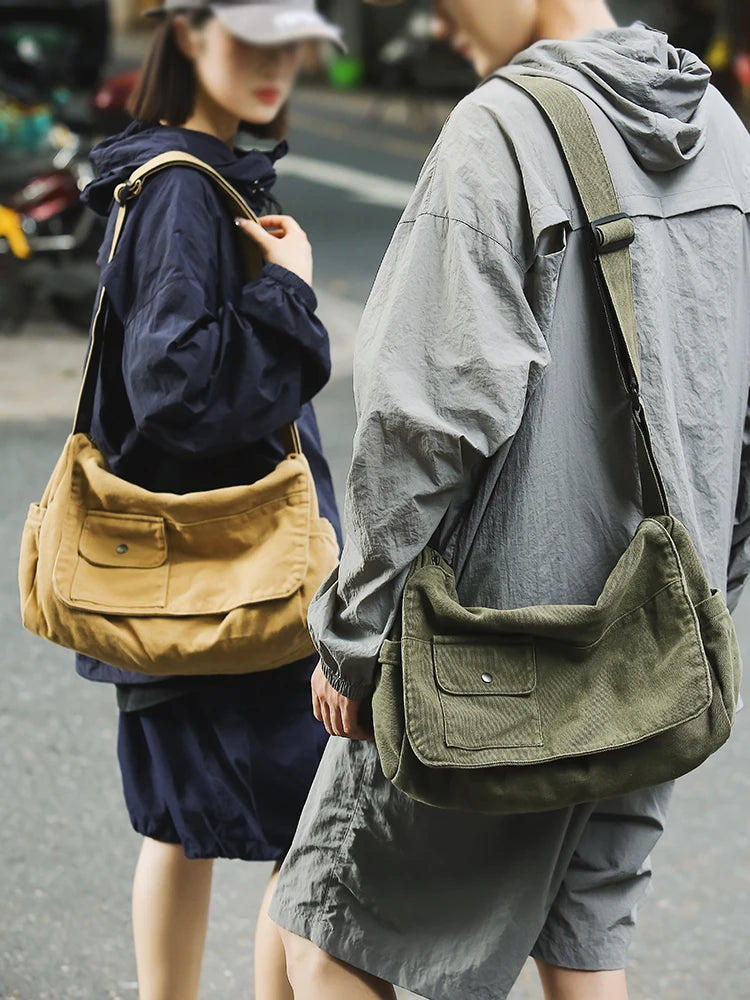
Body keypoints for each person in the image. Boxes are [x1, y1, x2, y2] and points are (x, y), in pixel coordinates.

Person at [268, 1, 750, 998]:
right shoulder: (727, 145)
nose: (439, 23)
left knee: (330, 935)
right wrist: (699, 603)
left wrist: (354, 641)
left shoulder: (500, 132)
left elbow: (419, 422)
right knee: (583, 947)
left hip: (486, 666)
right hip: (655, 657)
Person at [77, 2, 344, 998]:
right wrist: (290, 293)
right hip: (231, 574)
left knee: (184, 828)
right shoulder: (187, 191)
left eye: (292, 41)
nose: (279, 63)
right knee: (316, 824)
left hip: (185, 572)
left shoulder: (177, 175)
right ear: (188, 32)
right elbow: (177, 390)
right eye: (252, 37)